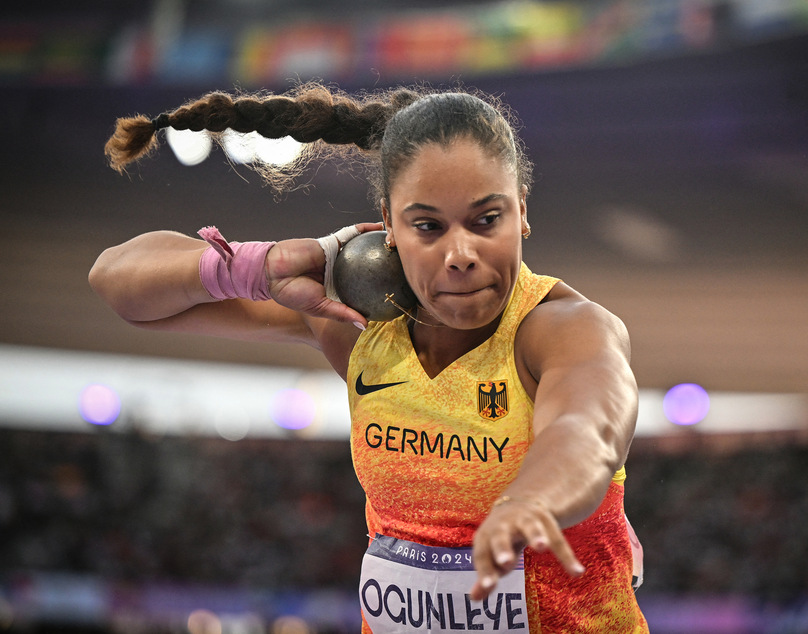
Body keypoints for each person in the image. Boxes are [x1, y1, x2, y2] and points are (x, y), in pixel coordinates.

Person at [91, 84, 649, 632]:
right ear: (388, 226)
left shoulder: (564, 330)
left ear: (521, 212)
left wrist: (531, 502)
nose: (460, 255)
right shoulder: (359, 328)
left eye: (486, 220)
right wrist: (254, 269)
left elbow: (586, 432)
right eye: (427, 226)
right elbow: (118, 284)